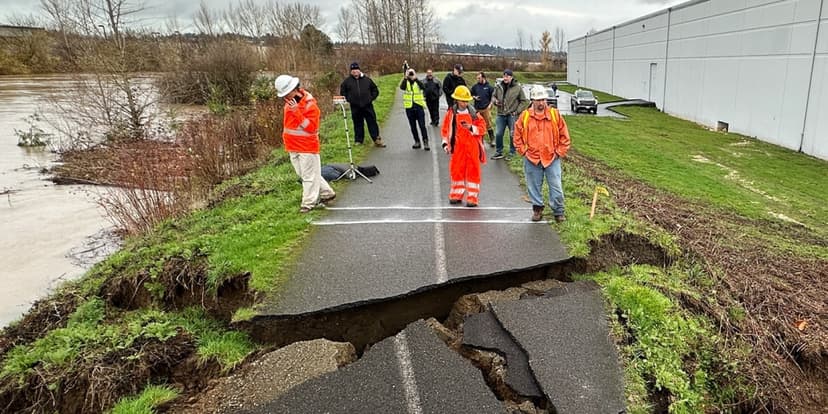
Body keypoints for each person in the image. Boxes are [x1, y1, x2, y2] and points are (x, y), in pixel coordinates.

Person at [274, 74, 336, 213]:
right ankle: (327, 193)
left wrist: (297, 112)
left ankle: (308, 203)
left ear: (293, 90)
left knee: (308, 176)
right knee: (306, 174)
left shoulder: (310, 105)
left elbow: (311, 127)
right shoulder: (290, 102)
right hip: (292, 145)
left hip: (307, 146)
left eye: (286, 94)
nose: (285, 97)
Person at [513, 85, 571, 222]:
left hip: (552, 157)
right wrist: (523, 151)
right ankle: (537, 209)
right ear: (532, 100)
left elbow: (565, 136)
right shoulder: (525, 116)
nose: (541, 103)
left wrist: (559, 152)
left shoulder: (554, 115)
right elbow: (517, 135)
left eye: (543, 99)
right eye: (538, 100)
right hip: (532, 158)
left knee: (556, 186)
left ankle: (558, 211)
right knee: (533, 186)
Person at [440, 85, 487, 207]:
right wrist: (445, 143)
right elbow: (446, 129)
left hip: (472, 147)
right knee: (456, 171)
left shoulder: (474, 114)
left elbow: (483, 128)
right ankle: (456, 194)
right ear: (456, 100)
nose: (465, 103)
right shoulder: (451, 113)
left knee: (473, 171)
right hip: (458, 147)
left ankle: (472, 197)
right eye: (462, 100)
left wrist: (471, 128)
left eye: (466, 101)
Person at [339, 62, 386, 147]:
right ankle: (359, 140)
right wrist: (349, 99)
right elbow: (343, 92)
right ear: (351, 71)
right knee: (358, 124)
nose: (355, 72)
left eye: (356, 70)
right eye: (353, 70)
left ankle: (376, 139)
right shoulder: (347, 82)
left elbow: (375, 90)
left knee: (372, 122)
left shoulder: (367, 80)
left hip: (368, 106)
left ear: (359, 70)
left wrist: (371, 98)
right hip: (355, 107)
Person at [491, 69, 528, 160]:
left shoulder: (518, 88)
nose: (505, 78)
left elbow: (524, 101)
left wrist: (517, 111)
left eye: (507, 76)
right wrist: (495, 101)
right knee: (499, 133)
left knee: (513, 134)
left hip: (512, 114)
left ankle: (512, 152)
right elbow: (493, 96)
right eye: (504, 76)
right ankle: (499, 151)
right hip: (500, 114)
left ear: (511, 77)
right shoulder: (498, 86)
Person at [400, 68, 429, 150]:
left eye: (412, 73)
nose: (411, 75)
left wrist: (415, 78)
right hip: (409, 107)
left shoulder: (418, 82)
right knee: (413, 126)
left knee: (422, 126)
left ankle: (425, 141)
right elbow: (402, 87)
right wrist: (405, 78)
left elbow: (423, 87)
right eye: (410, 73)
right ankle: (417, 141)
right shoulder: (406, 82)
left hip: (418, 106)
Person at [470, 71, 496, 147]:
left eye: (479, 78)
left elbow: (493, 97)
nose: (478, 79)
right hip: (477, 109)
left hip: (486, 109)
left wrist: (490, 104)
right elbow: (470, 94)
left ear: (483, 78)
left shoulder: (489, 87)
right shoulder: (475, 87)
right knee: (476, 124)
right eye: (477, 78)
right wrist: (474, 97)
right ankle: (477, 140)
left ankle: (492, 139)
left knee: (488, 124)